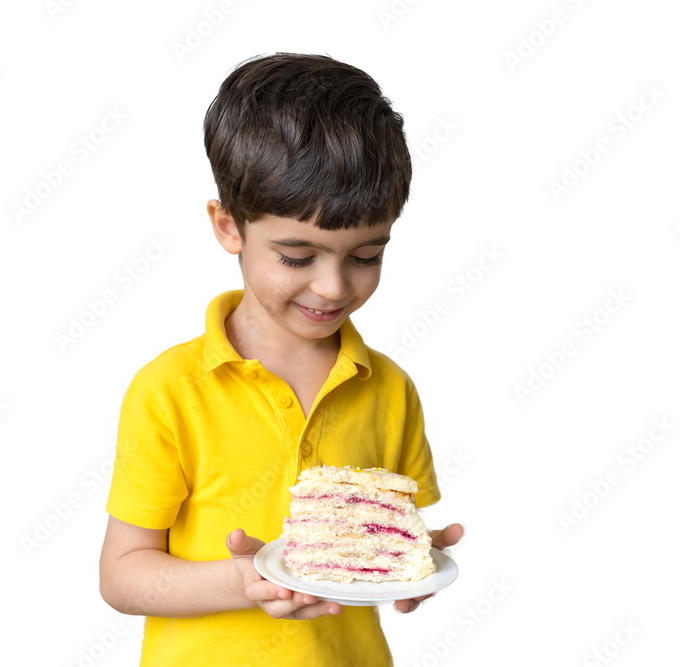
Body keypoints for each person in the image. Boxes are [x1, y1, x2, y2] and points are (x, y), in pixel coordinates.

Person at [99, 52, 463, 666]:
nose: (333, 286)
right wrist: (240, 582)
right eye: (297, 257)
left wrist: (405, 561)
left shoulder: (391, 389)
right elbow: (122, 576)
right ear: (228, 227)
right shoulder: (170, 390)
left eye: (366, 256)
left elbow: (376, 539)